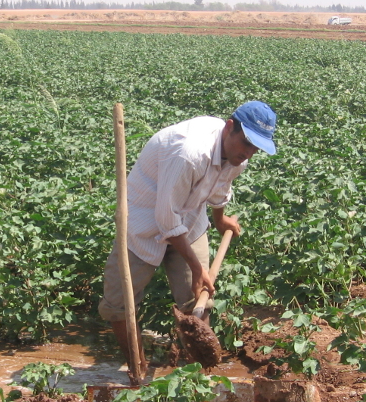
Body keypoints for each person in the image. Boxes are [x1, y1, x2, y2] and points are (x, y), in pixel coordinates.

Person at [98, 100, 278, 378]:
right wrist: (197, 269)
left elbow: (222, 184)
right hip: (144, 219)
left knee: (198, 299)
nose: (249, 153)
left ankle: (202, 375)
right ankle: (137, 367)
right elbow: (166, 219)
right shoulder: (189, 154)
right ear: (230, 127)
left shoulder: (236, 155)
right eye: (246, 143)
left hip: (190, 218)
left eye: (256, 148)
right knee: (119, 302)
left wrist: (220, 220)